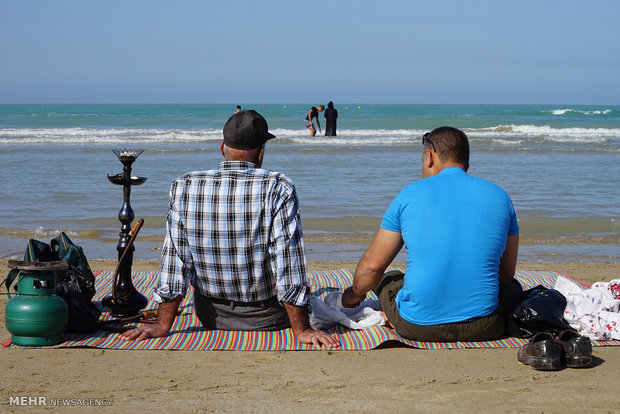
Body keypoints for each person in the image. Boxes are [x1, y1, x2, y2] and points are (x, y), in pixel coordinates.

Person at [120, 110, 339, 349]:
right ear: (261, 152)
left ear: (222, 147)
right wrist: (302, 330)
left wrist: (162, 326)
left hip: (211, 316)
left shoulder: (184, 186)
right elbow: (288, 265)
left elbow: (176, 262)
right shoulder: (278, 187)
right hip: (267, 317)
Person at [341, 126, 521, 342]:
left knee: (389, 278)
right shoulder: (500, 196)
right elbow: (506, 274)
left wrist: (354, 295)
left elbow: (372, 267)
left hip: (417, 326)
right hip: (484, 327)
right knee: (512, 288)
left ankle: (392, 313)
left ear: (429, 157)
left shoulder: (409, 195)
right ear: (466, 164)